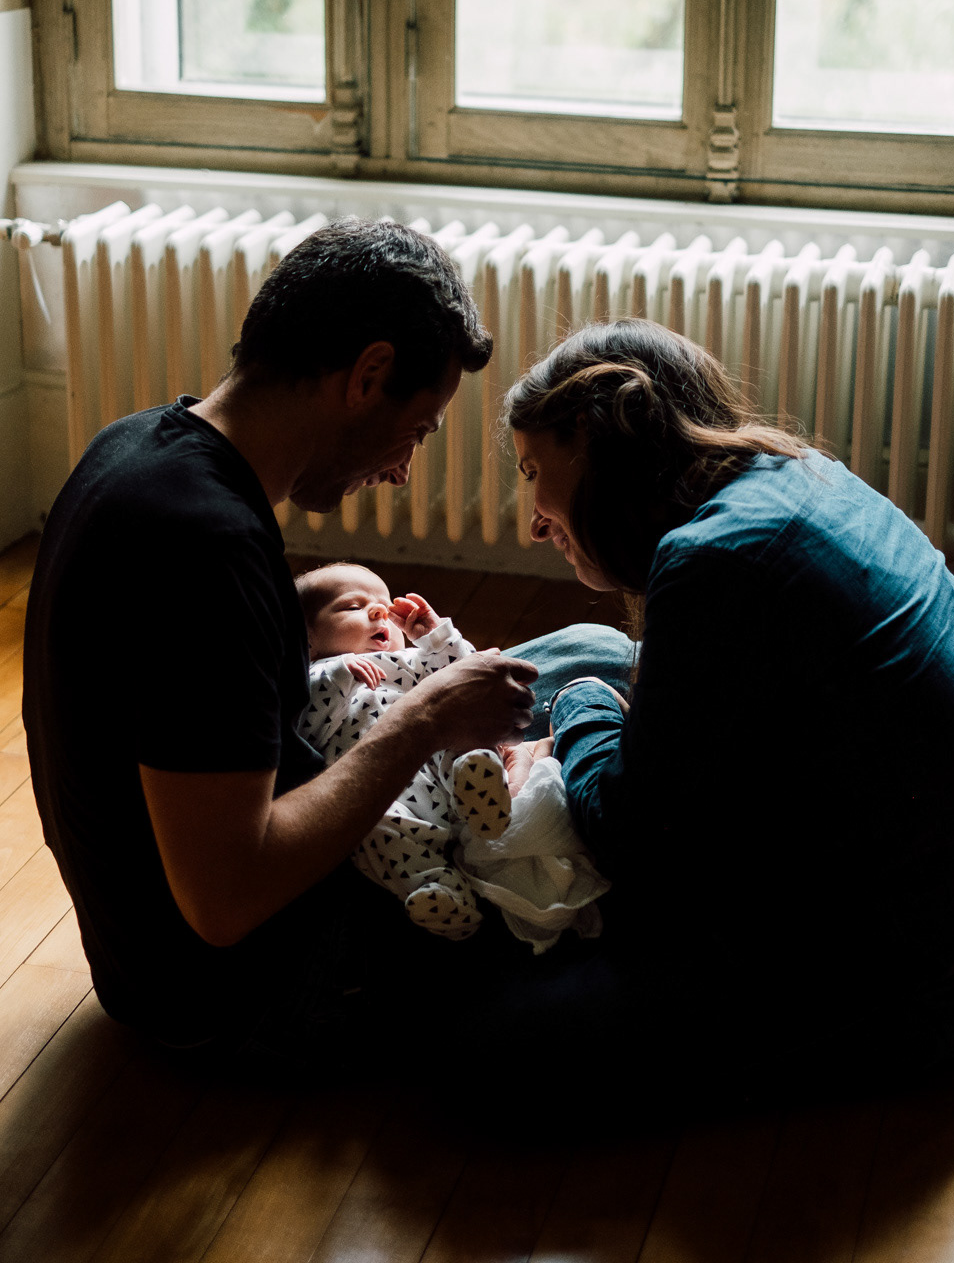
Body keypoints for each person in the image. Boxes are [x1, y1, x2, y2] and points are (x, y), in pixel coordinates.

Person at [24, 218, 605, 1067]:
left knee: (581, 654)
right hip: (244, 993)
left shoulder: (139, 447)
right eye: (418, 428)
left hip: (148, 963)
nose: (403, 469)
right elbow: (224, 900)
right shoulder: (206, 548)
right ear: (367, 375)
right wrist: (418, 718)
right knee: (595, 688)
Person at [502, 318, 954, 1081]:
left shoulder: (707, 561)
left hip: (921, 992)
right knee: (597, 658)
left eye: (531, 471)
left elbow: (629, 838)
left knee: (495, 1042)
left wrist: (584, 707)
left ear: (594, 443)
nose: (531, 522)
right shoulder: (793, 472)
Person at [296, 561, 609, 950]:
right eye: (352, 606)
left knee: (470, 744)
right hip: (384, 792)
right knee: (382, 836)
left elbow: (472, 674)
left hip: (440, 761)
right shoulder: (316, 677)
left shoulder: (406, 662)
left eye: (382, 603)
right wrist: (339, 673)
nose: (378, 611)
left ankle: (480, 795)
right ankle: (437, 889)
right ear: (305, 636)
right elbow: (309, 727)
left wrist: (437, 637)